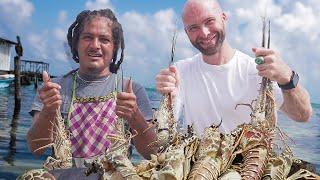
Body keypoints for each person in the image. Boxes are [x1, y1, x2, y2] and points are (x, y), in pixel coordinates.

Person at [156, 0, 312, 136]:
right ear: (186, 32)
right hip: (197, 162)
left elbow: (302, 116)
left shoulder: (257, 70)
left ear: (223, 18)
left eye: (209, 21)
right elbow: (162, 138)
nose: (204, 33)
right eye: (193, 28)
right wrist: (169, 98)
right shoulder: (179, 71)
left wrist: (287, 78)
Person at [27, 9, 157, 168]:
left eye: (104, 39)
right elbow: (36, 149)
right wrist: (48, 110)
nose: (95, 45)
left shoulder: (131, 91)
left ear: (114, 47)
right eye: (88, 37)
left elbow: (153, 152)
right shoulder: (53, 89)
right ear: (76, 43)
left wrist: (135, 116)